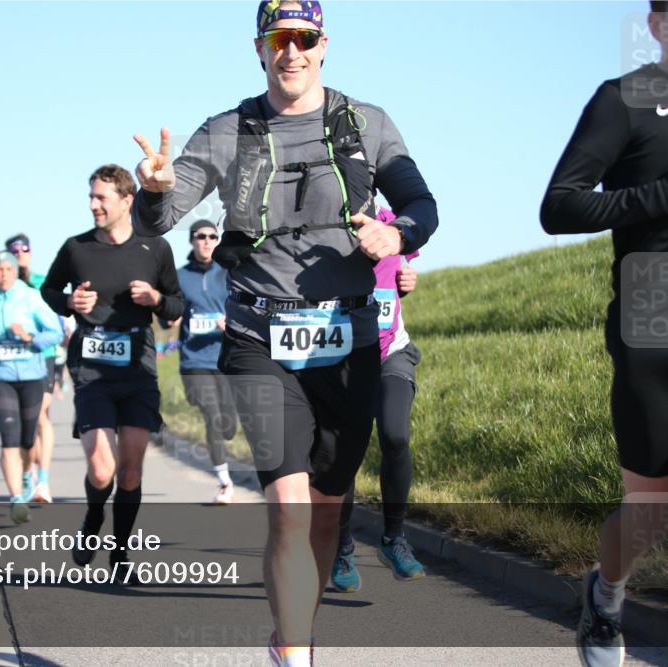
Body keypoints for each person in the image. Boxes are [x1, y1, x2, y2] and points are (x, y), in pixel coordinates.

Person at [131, 2, 438, 662]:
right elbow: (161, 215)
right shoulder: (227, 130)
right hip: (259, 339)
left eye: (303, 38)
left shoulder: (368, 123)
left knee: (326, 513)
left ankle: (291, 635)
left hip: (349, 340)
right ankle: (296, 654)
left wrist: (399, 234)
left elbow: (421, 203)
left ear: (323, 45)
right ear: (259, 48)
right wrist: (154, 190)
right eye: (278, 39)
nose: (290, 52)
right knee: (290, 509)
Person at [540, 3, 668, 666]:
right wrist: (666, 195)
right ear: (657, 24)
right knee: (650, 512)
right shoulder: (624, 99)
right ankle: (606, 595)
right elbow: (560, 206)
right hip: (656, 320)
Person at [42, 164, 184, 570]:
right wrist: (69, 303)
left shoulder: (155, 248)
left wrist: (156, 299)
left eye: (101, 197)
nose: (93, 205)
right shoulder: (77, 248)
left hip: (138, 369)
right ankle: (92, 520)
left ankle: (120, 553)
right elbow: (49, 289)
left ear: (127, 201)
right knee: (103, 471)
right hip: (92, 370)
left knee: (131, 473)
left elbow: (176, 306)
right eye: (91, 197)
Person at [330, 207, 424, 593]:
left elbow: (405, 263)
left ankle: (394, 538)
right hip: (341, 355)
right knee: (343, 454)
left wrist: (407, 279)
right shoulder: (325, 217)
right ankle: (342, 546)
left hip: (390, 352)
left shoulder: (389, 217)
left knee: (395, 435)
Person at [0, 250, 63, 524]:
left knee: (27, 439)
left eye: (8, 270)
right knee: (9, 439)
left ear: (15, 271)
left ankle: (27, 475)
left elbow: (56, 333)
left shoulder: (31, 297)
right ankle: (16, 500)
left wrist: (29, 339)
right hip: (1, 377)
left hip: (32, 376)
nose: (3, 275)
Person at [171, 219, 239, 504]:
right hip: (194, 361)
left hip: (224, 358)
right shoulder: (180, 276)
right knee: (212, 415)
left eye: (213, 236)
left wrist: (230, 321)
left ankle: (224, 464)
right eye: (201, 236)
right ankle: (225, 482)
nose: (207, 241)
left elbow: (243, 305)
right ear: (192, 240)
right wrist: (169, 316)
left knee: (228, 426)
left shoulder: (228, 273)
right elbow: (170, 312)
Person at [4, 233, 62, 504]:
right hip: (15, 361)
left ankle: (43, 482)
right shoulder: (3, 286)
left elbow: (55, 323)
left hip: (43, 356)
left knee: (39, 417)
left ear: (30, 252)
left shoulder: (41, 283)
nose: (19, 254)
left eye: (24, 249)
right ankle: (29, 471)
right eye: (14, 251)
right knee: (27, 422)